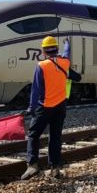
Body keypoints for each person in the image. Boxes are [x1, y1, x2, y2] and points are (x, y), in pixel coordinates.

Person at [21, 36, 71, 180]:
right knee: (55, 137)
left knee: (33, 135)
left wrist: (31, 107)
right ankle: (55, 169)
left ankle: (32, 166)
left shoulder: (41, 66)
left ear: (43, 51)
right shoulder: (65, 62)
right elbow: (67, 53)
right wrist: (67, 44)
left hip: (45, 107)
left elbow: (35, 90)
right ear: (56, 49)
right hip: (60, 107)